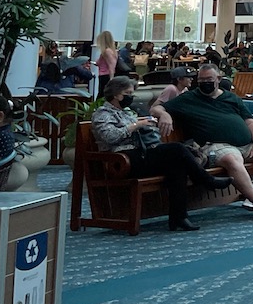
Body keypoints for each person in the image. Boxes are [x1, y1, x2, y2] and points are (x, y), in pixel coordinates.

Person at [91, 77, 232, 231]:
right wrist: (137, 125)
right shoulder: (102, 113)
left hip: (141, 155)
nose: (131, 97)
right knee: (177, 149)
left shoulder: (126, 112)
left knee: (177, 166)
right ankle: (206, 180)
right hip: (123, 160)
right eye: (128, 93)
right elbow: (110, 136)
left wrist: (147, 125)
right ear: (116, 94)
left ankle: (179, 218)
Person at [151, 63, 253, 221]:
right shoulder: (188, 99)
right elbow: (155, 108)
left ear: (219, 79)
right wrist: (164, 115)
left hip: (246, 143)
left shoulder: (231, 97)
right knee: (233, 160)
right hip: (215, 146)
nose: (205, 83)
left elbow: (250, 121)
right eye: (201, 80)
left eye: (209, 79)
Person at [95, 30, 119, 94]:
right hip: (106, 75)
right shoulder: (113, 51)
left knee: (102, 94)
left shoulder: (107, 51)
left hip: (105, 75)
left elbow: (111, 65)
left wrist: (111, 78)